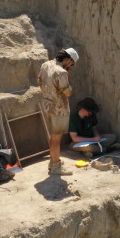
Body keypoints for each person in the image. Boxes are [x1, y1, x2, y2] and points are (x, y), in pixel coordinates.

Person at [38, 47, 79, 175]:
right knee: (56, 138)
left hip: (47, 105)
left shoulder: (46, 65)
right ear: (67, 59)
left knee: (53, 136)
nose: (71, 66)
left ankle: (53, 161)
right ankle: (56, 167)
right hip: (59, 109)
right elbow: (68, 93)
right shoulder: (62, 72)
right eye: (71, 63)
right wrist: (68, 75)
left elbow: (39, 82)